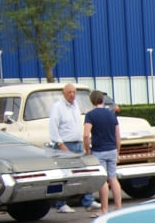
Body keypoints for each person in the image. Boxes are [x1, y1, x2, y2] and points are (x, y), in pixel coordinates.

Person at [48, 82, 93, 212]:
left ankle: (88, 201)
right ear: (64, 93)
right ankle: (61, 204)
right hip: (65, 144)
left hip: (77, 143)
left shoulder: (76, 105)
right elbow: (53, 127)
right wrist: (60, 144)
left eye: (74, 92)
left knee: (84, 173)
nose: (72, 95)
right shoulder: (57, 107)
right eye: (69, 92)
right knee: (65, 175)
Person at [83, 90, 122, 215]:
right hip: (112, 149)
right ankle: (118, 207)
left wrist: (87, 149)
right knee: (113, 178)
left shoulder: (90, 115)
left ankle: (104, 210)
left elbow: (85, 134)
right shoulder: (111, 114)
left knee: (102, 181)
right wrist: (118, 151)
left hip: (98, 150)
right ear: (102, 100)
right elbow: (117, 135)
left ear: (91, 101)